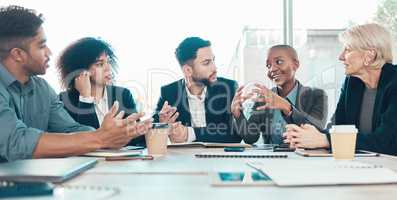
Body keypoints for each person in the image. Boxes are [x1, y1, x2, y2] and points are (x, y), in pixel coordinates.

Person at [0, 5, 151, 161]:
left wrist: (111, 134)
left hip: (38, 181)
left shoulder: (43, 89)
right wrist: (101, 138)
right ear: (18, 54)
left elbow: (70, 130)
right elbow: (16, 142)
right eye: (42, 46)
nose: (49, 53)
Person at [283, 23, 397, 155]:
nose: (341, 57)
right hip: (364, 165)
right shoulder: (352, 82)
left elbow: (386, 142)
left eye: (347, 49)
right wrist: (305, 136)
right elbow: (336, 129)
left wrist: (325, 140)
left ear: (369, 56)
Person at [57, 37, 145, 146]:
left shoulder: (123, 94)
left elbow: (138, 140)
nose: (108, 68)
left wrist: (161, 123)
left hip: (120, 161)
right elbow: (85, 141)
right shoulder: (65, 100)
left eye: (108, 61)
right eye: (99, 64)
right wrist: (85, 98)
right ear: (81, 70)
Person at [232, 45, 328, 144]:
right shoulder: (264, 98)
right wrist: (238, 115)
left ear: (295, 64)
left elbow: (316, 132)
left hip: (304, 158)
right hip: (273, 158)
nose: (272, 69)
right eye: (268, 65)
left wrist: (287, 107)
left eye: (279, 62)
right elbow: (251, 138)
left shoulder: (317, 95)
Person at [153, 37, 242, 143]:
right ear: (188, 70)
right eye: (206, 63)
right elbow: (143, 136)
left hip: (218, 158)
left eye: (213, 60)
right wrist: (161, 127)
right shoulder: (169, 93)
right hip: (183, 158)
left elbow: (236, 134)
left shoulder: (228, 88)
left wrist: (190, 133)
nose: (214, 68)